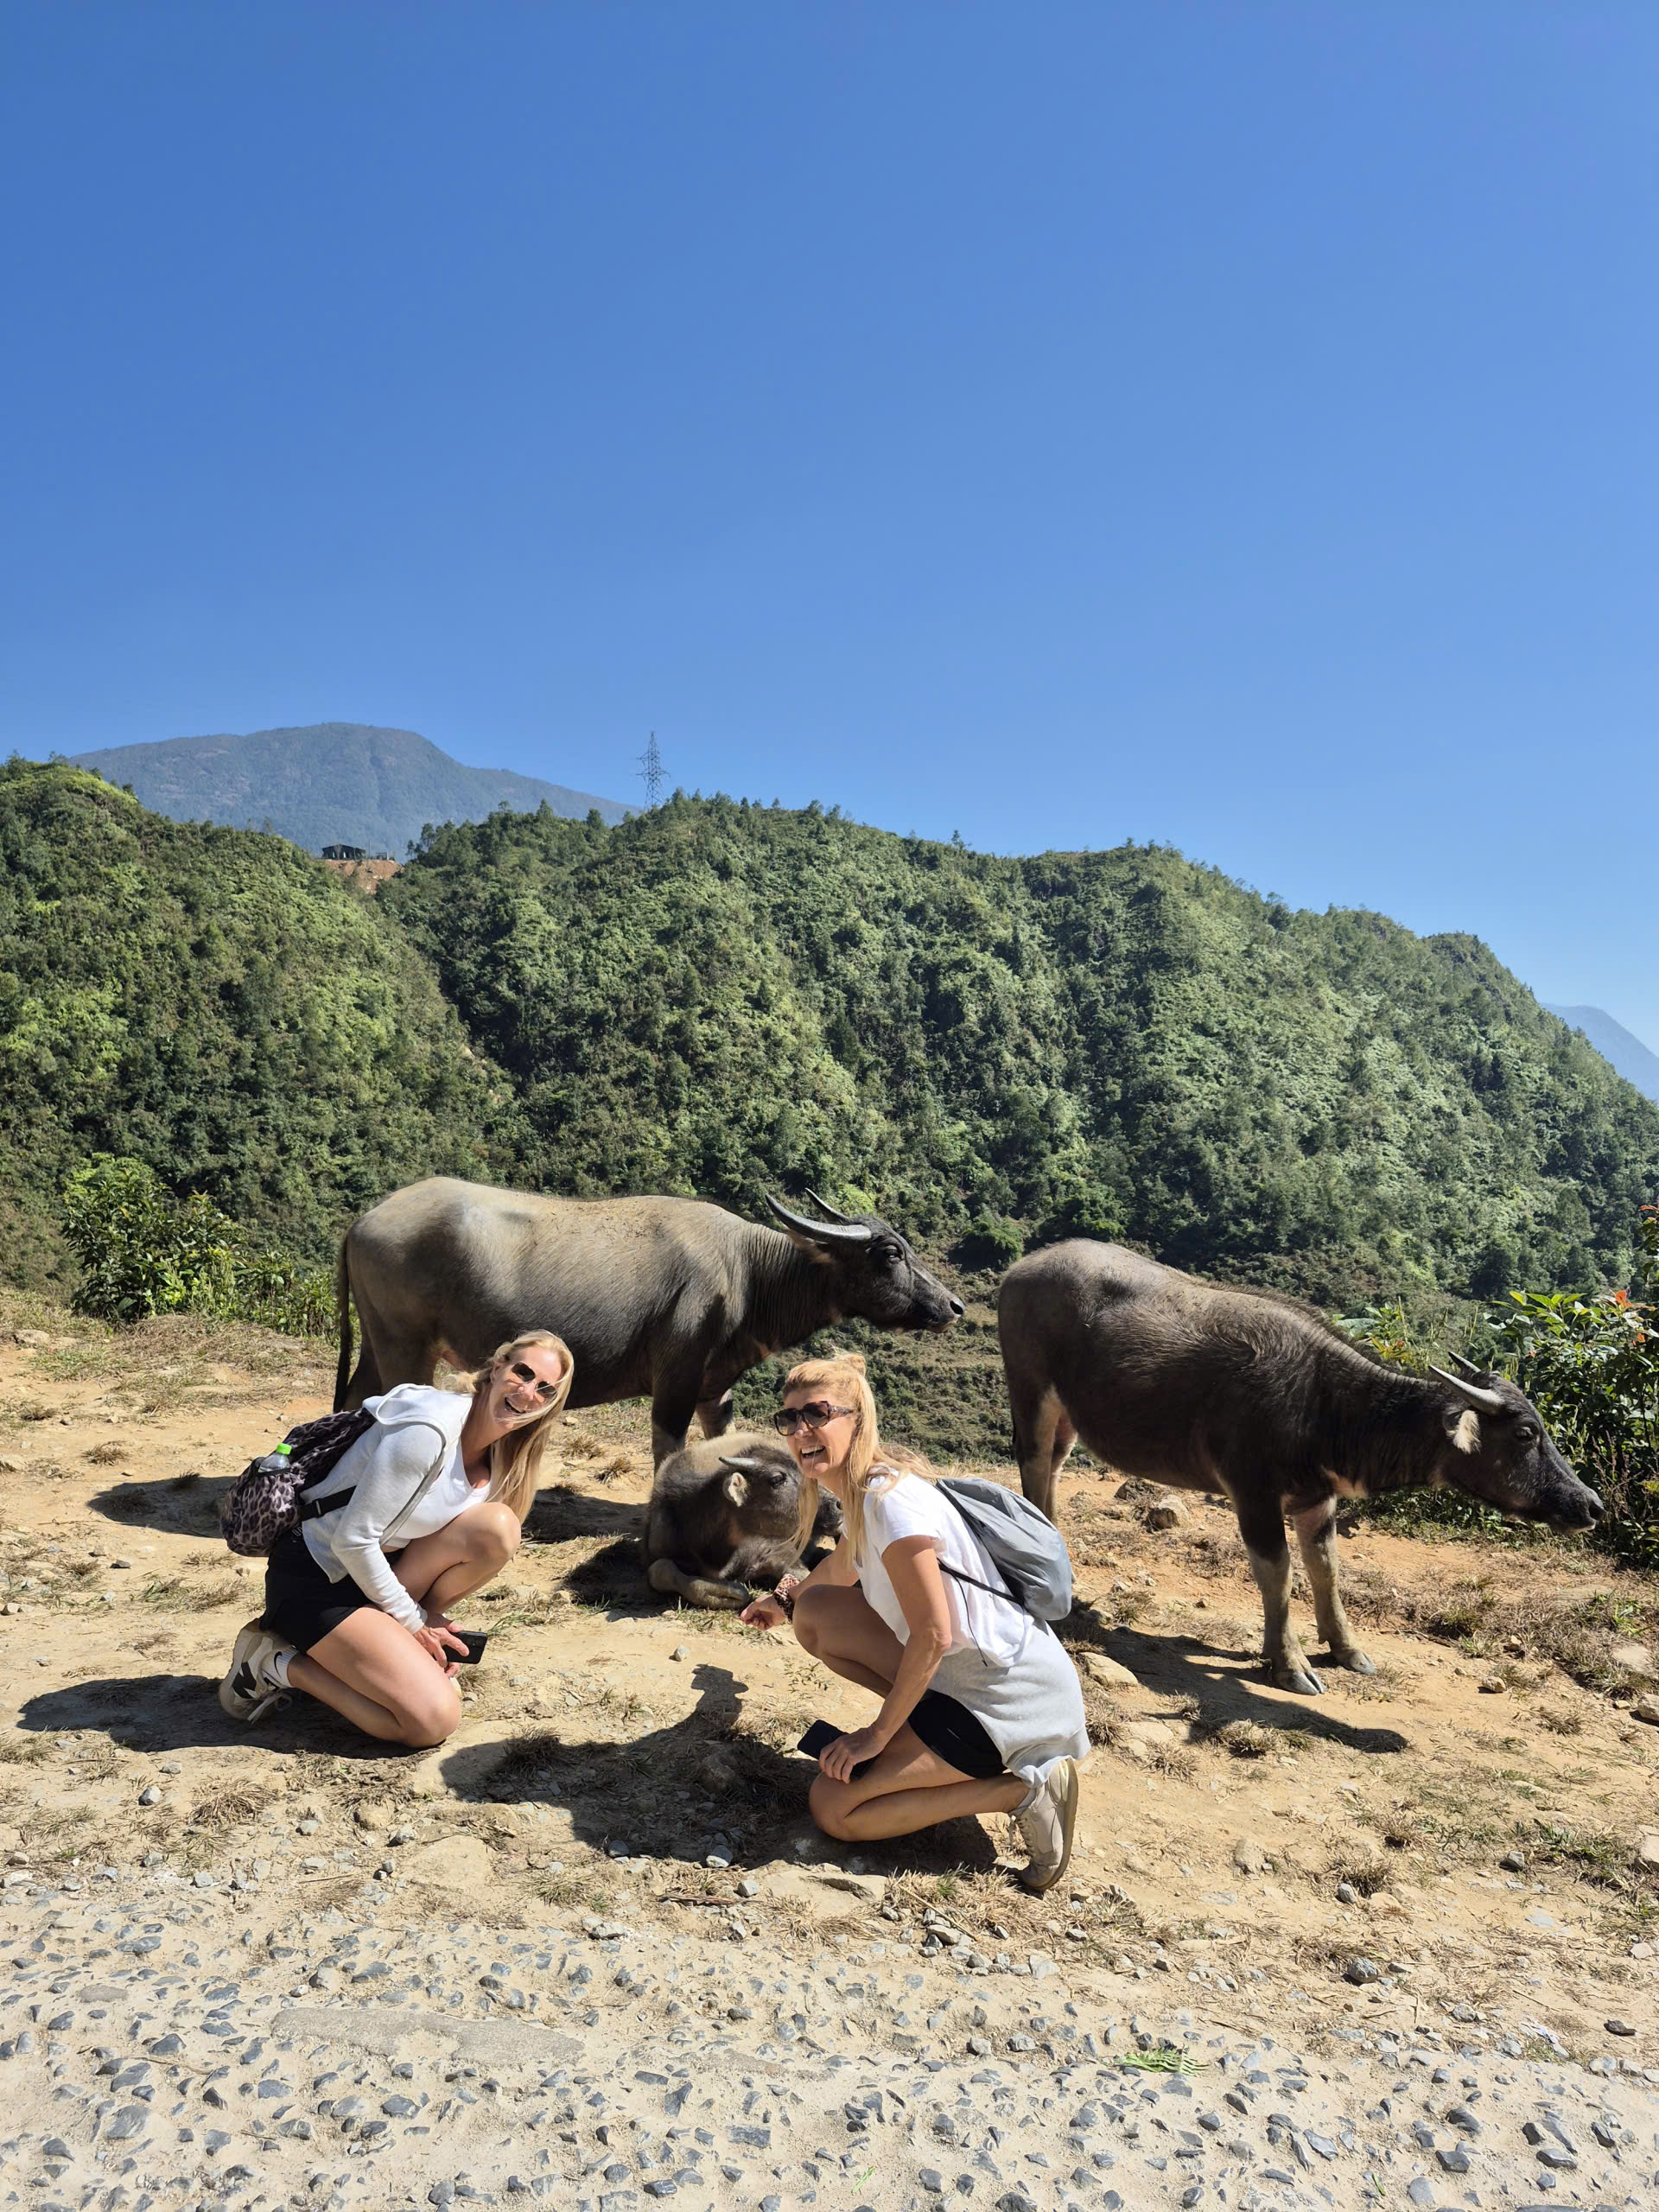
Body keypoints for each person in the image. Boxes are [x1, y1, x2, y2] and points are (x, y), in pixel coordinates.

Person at [740, 1351, 1089, 1891]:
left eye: (817, 1413)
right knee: (815, 1614)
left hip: (1004, 1696)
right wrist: (784, 1599)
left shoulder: (892, 1504)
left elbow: (934, 1633)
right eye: (789, 1419)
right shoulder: (866, 1493)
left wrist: (876, 1738)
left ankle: (1023, 1790)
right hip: (965, 1675)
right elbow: (843, 1562)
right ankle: (924, 1737)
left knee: (834, 1807)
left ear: (857, 1420)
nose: (801, 1429)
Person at [219, 1330, 573, 1745]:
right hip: (317, 1577)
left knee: (500, 1526)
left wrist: (422, 1618)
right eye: (523, 1372)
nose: (528, 1391)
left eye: (544, 1389)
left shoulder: (502, 1458)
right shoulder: (430, 1429)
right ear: (497, 1368)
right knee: (431, 1722)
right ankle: (275, 1663)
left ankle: (389, 1647)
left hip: (380, 1576)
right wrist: (413, 1621)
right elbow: (352, 1541)